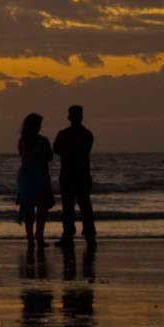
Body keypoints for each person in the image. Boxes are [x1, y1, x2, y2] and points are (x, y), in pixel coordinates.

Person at [53, 104, 96, 248]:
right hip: (82, 174)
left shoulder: (64, 134)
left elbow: (56, 150)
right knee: (85, 206)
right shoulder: (87, 134)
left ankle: (68, 235)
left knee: (69, 207)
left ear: (69, 117)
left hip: (69, 174)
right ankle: (89, 235)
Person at [15, 112, 54, 248]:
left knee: (29, 210)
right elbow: (50, 157)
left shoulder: (23, 141)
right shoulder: (42, 141)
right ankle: (38, 237)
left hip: (27, 177)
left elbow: (23, 157)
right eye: (39, 124)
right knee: (40, 210)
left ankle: (31, 238)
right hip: (38, 176)